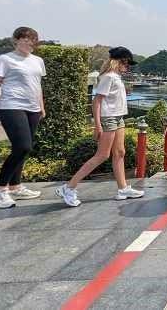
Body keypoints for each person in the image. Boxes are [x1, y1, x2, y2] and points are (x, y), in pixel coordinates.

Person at [56, 47, 144, 207]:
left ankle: (123, 188)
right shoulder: (109, 77)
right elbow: (97, 101)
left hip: (118, 118)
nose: (128, 67)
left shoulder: (115, 76)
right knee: (102, 155)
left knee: (119, 152)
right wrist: (97, 125)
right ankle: (68, 187)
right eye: (127, 63)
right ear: (120, 61)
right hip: (108, 119)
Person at [0, 27, 46, 209]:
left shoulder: (38, 61)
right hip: (10, 106)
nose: (28, 43)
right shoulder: (4, 60)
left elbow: (37, 86)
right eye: (24, 39)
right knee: (23, 146)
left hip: (32, 109)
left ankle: (15, 187)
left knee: (23, 149)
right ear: (16, 40)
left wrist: (41, 107)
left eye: (32, 40)